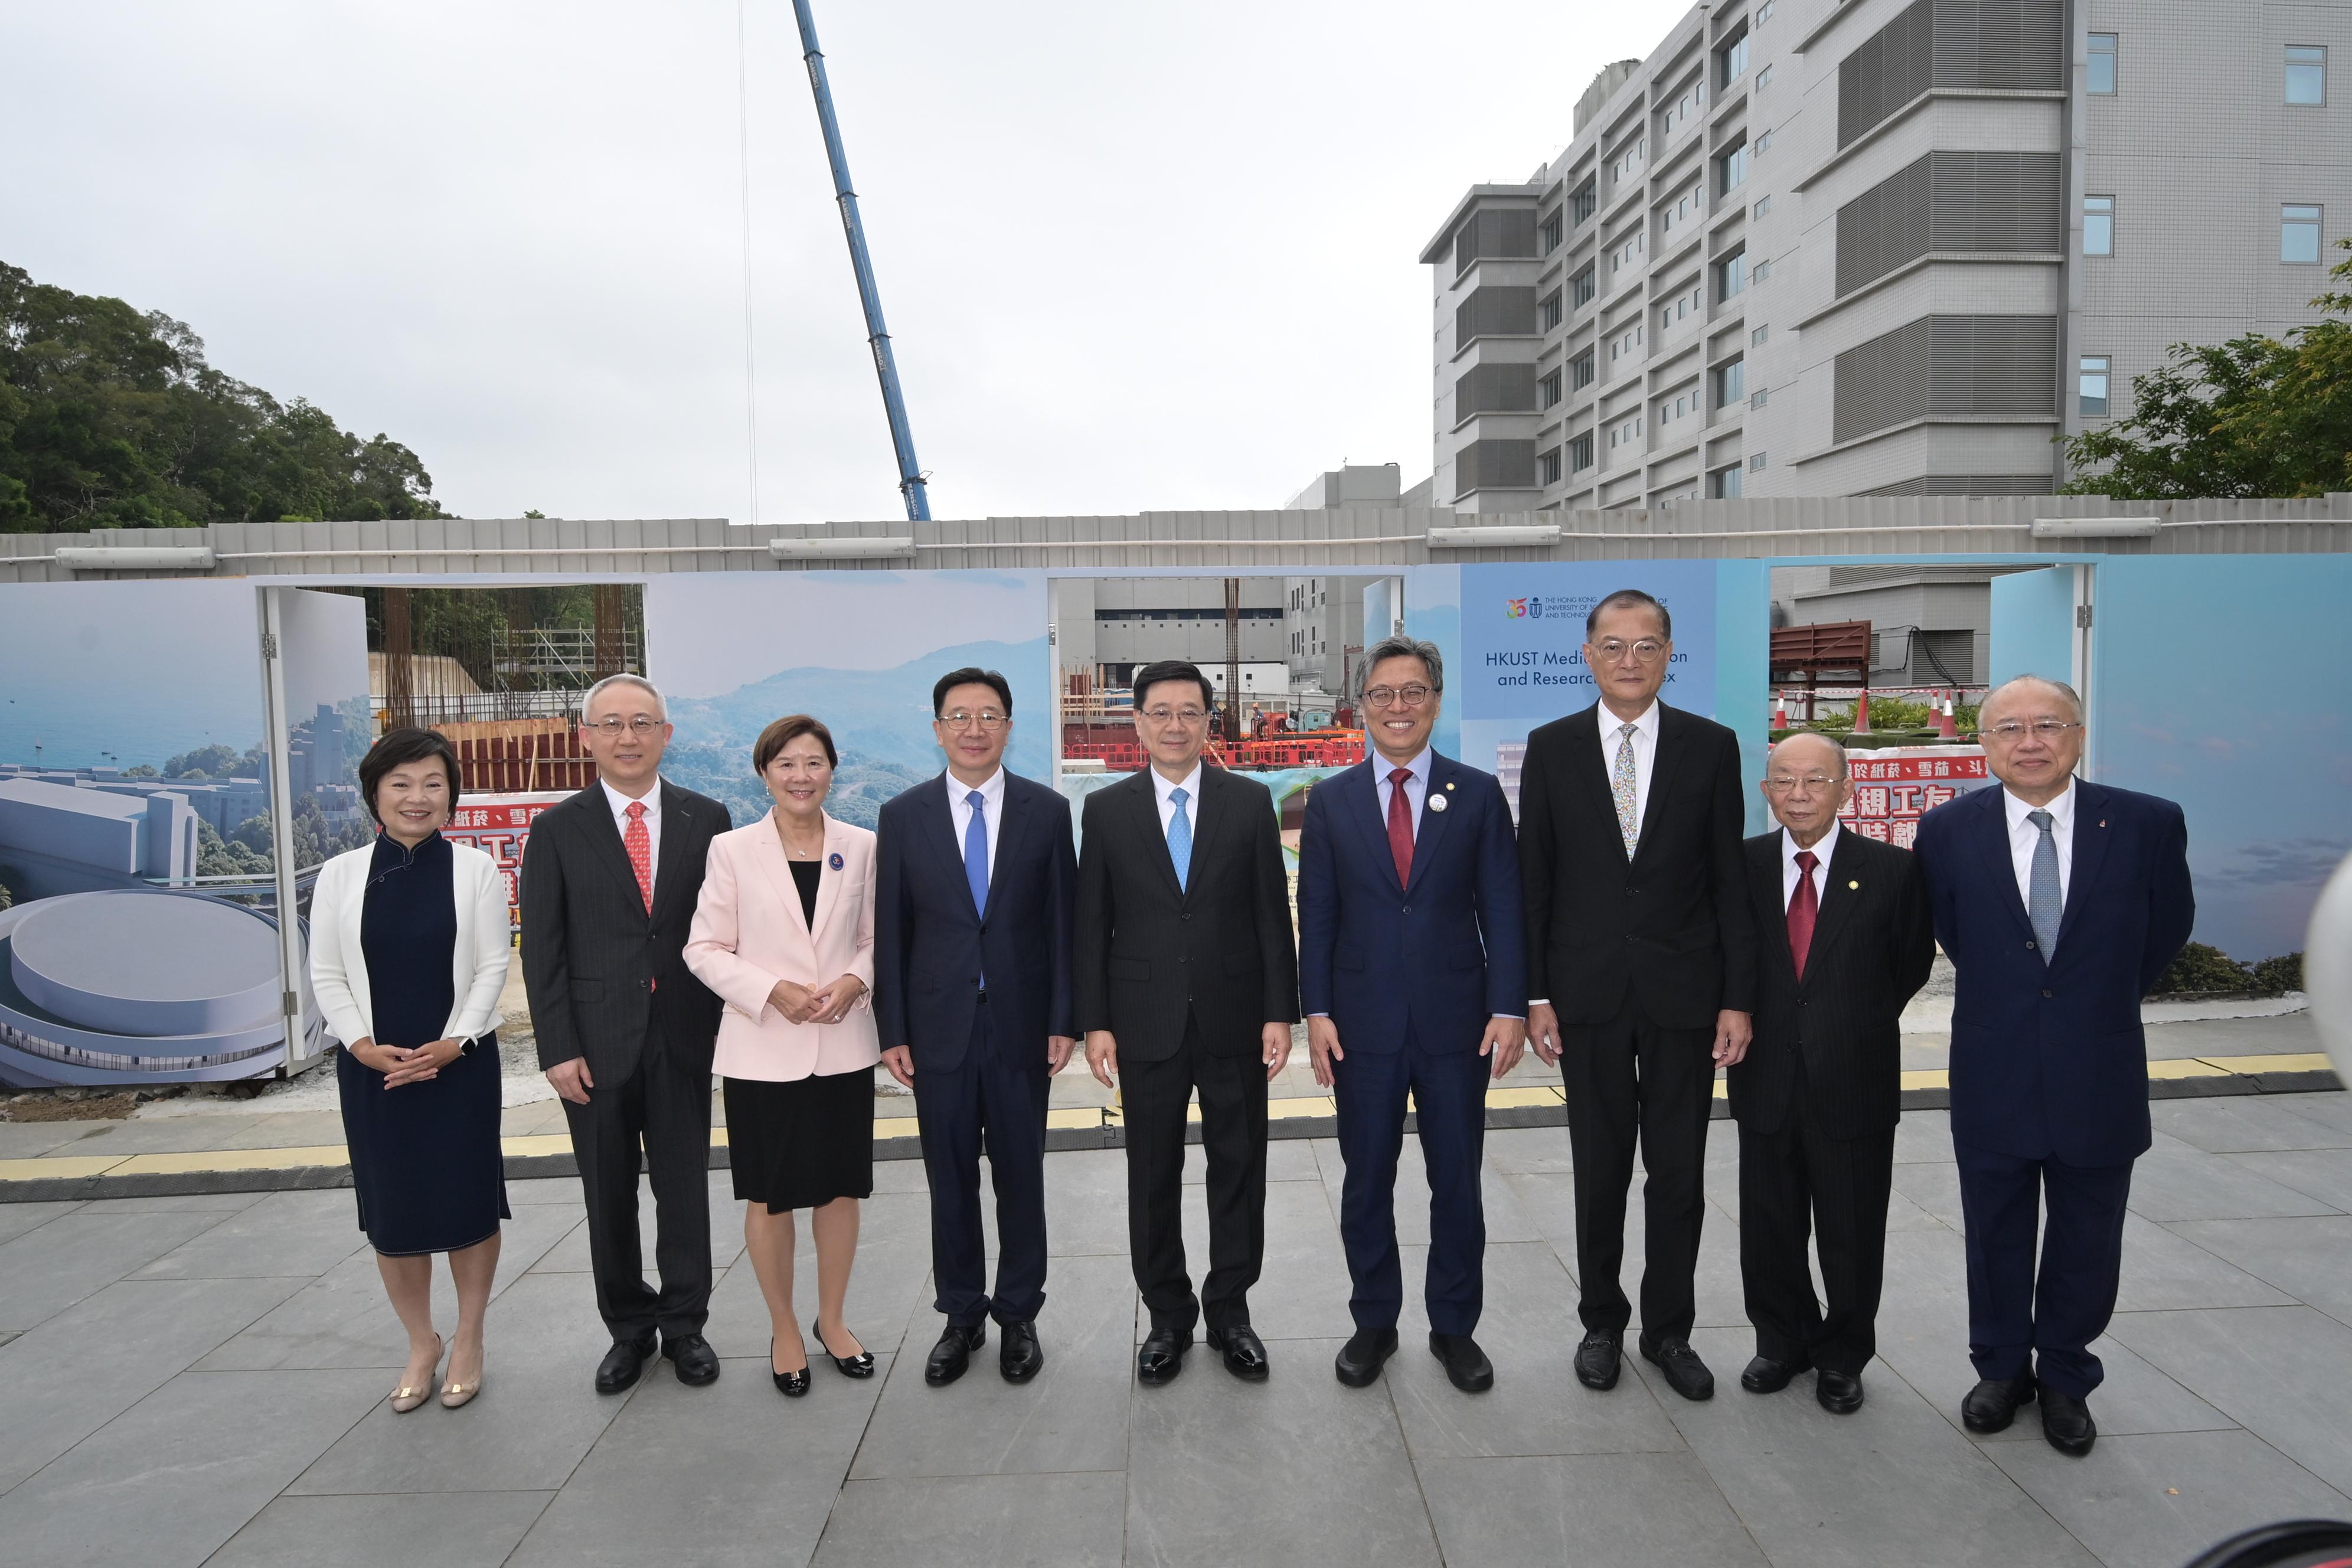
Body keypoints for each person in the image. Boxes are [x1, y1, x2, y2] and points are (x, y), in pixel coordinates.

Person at [1915, 675, 2192, 1456]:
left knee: (2087, 1234)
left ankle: (2067, 1376)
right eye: (2009, 729)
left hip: (2099, 1068)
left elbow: (2165, 929)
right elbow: (1958, 935)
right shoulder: (1946, 832)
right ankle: (2001, 1368)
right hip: (1992, 1067)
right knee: (1994, 1231)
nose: (2028, 742)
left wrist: (2088, 1002)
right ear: (1984, 743)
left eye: (2047, 726)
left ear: (2077, 735)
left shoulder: (2145, 824)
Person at [1518, 587, 1756, 1402]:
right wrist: (1537, 994)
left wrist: (1736, 997)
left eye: (1645, 645)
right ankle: (1601, 1322)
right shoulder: (1550, 749)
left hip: (1685, 996)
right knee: (1600, 1170)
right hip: (1585, 996)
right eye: (1612, 646)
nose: (1629, 660)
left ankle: (1669, 1331)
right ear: (1587, 656)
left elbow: (1729, 878)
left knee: (1679, 1173)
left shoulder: (1711, 746)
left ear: (1667, 654)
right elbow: (1535, 880)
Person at [1298, 636, 1525, 1392]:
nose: (1399, 707)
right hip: (1360, 1026)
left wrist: (1507, 1007)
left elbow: (1503, 906)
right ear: (1361, 707)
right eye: (1383, 695)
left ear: (1435, 700)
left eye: (1413, 692)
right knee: (1366, 1180)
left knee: (1456, 1178)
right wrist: (1317, 1012)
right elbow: (1319, 914)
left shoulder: (1476, 794)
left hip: (1457, 1024)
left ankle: (1455, 1326)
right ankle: (1374, 1321)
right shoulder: (1330, 801)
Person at [1077, 658, 1300, 1386]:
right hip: (1143, 1020)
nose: (1176, 725)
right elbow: (1093, 926)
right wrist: (1096, 1021)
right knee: (1153, 1173)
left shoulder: (1247, 802)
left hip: (1236, 1014)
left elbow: (1273, 915)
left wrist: (1279, 1010)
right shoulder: (1107, 811)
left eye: (1191, 711)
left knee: (1239, 1166)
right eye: (1161, 711)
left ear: (1210, 721)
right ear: (1137, 722)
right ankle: (1168, 1317)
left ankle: (1231, 1310)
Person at [521, 674, 732, 1394]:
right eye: (610, 724)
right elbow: (541, 947)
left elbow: (727, 930)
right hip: (594, 1043)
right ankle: (628, 1329)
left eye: (642, 723)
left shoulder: (709, 816)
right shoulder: (556, 829)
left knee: (683, 1189)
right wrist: (557, 1048)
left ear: (666, 735)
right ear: (586, 738)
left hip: (683, 1034)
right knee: (606, 1193)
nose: (628, 737)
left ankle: (685, 1325)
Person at [874, 668, 1077, 1387]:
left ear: (1009, 727)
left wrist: (1064, 1019)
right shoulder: (903, 817)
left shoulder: (1047, 813)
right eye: (958, 715)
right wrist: (892, 1028)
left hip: (1023, 1027)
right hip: (937, 1030)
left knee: (1022, 1176)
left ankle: (1019, 1314)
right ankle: (960, 1315)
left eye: (989, 714)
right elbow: (892, 932)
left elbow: (1062, 925)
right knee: (950, 1177)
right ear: (937, 730)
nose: (974, 727)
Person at [1730, 732, 1935, 1414]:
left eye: (1815, 780)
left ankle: (1844, 1356)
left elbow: (1909, 966)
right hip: (1764, 1077)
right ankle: (1781, 1340)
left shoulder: (1893, 870)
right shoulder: (1742, 866)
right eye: (1784, 781)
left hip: (1854, 1077)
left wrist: (1845, 1023)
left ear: (1846, 788)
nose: (1798, 793)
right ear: (1766, 792)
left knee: (1851, 1228)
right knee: (1769, 1223)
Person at [311, 727, 512, 1412]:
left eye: (432, 783)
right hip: (376, 1071)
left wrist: (457, 1040)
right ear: (375, 793)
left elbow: (492, 965)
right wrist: (361, 1044)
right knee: (392, 1212)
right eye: (400, 783)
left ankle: (470, 1338)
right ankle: (422, 1340)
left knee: (467, 1202)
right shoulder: (339, 875)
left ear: (451, 795)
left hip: (459, 1067)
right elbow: (326, 972)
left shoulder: (475, 870)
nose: (416, 797)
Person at [685, 715, 878, 1397]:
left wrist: (858, 978)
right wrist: (771, 991)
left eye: (814, 763)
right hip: (763, 1050)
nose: (802, 776)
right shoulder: (732, 850)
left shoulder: (861, 845)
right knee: (770, 1195)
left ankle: (832, 1320)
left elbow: (876, 935)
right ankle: (785, 1328)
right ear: (764, 773)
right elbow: (703, 948)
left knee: (839, 1188)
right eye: (787, 764)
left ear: (833, 769)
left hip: (843, 1046)